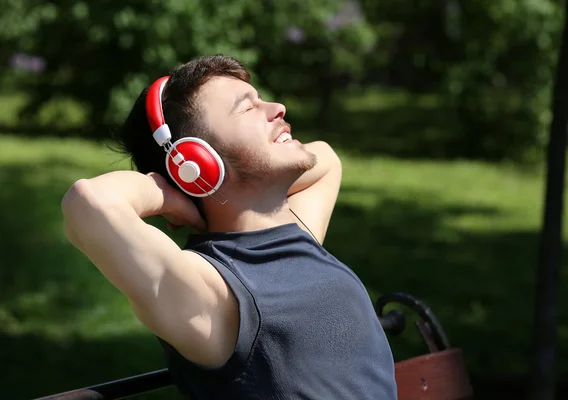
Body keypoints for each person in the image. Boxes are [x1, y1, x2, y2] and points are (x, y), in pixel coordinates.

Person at [61, 54, 397, 399]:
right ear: (196, 160)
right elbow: (89, 202)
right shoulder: (216, 294)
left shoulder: (295, 231)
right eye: (247, 108)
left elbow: (324, 158)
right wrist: (169, 192)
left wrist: (190, 189)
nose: (278, 108)